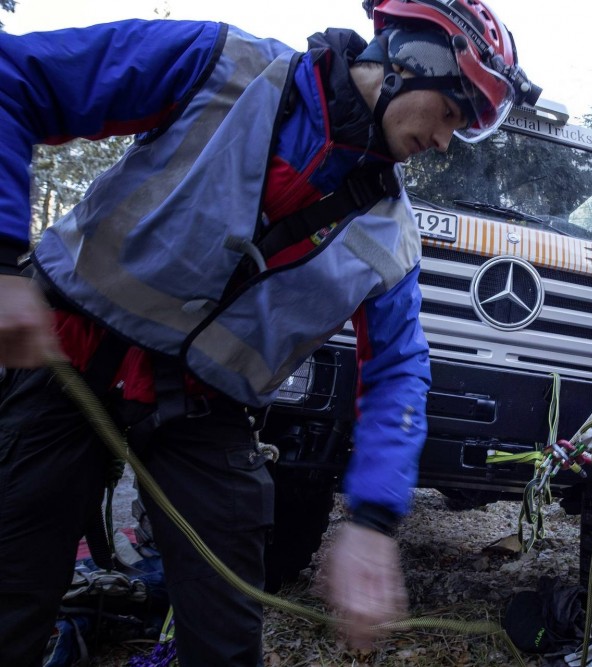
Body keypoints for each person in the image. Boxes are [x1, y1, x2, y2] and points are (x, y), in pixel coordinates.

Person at [0, 1, 538, 664]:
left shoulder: (392, 238)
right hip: (65, 357)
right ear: (412, 63)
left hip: (200, 409)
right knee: (10, 601)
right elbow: (14, 78)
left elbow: (398, 372)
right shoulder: (222, 64)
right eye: (452, 112)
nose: (445, 141)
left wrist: (372, 521)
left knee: (228, 644)